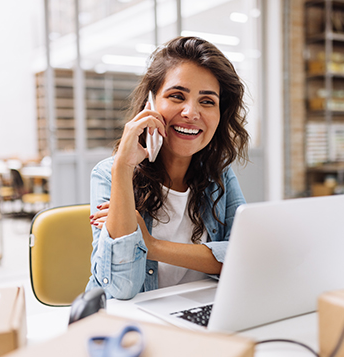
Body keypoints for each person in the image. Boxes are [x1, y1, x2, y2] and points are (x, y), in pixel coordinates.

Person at [86, 36, 250, 300]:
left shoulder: (218, 176)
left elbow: (242, 259)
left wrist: (151, 246)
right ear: (149, 105)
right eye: (177, 96)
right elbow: (120, 288)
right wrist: (123, 167)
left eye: (207, 101)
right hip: (133, 322)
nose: (191, 112)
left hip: (198, 312)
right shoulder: (109, 173)